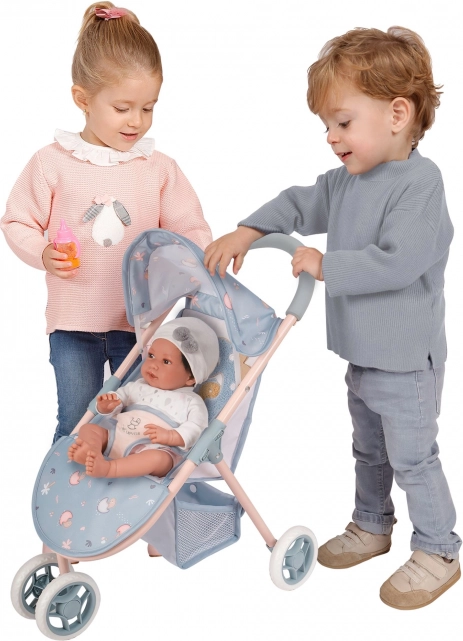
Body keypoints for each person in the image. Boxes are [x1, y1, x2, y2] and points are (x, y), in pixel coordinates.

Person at [203, 27, 460, 609]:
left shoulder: (421, 185)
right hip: (362, 356)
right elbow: (299, 202)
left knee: (413, 458)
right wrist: (250, 229)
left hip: (406, 362)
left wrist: (327, 264)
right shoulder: (346, 182)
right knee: (368, 449)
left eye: (343, 122)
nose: (330, 137)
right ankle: (372, 523)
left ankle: (439, 549)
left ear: (398, 114)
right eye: (326, 125)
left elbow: (400, 261)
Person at [0, 3, 212, 445]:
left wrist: (176, 266)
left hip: (140, 327)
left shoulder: (158, 168)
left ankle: (125, 489)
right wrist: (42, 252)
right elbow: (17, 220)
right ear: (83, 99)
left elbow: (192, 230)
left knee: (137, 422)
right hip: (73, 324)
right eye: (122, 107)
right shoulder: (51, 163)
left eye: (148, 108)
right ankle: (65, 491)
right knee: (77, 422)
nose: (136, 121)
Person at [68, 317, 219, 478]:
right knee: (89, 429)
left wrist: (171, 436)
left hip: (152, 446)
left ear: (191, 377)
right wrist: (107, 405)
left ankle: (109, 469)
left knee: (158, 459)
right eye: (152, 355)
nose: (153, 364)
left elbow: (196, 427)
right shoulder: (138, 386)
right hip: (117, 436)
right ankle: (91, 451)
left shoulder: (192, 402)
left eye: (166, 361)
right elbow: (119, 399)